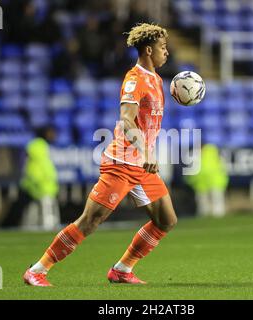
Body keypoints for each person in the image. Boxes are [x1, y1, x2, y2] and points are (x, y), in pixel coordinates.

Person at [23, 23, 175, 286]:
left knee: (166, 220)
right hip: (122, 162)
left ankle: (122, 269)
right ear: (148, 50)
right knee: (90, 221)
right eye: (163, 47)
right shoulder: (134, 79)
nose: (167, 52)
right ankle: (37, 269)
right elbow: (127, 121)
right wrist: (146, 150)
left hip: (141, 166)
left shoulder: (157, 80)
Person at [0, 125, 59, 229]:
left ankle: (27, 226)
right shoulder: (39, 146)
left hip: (36, 184)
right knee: (44, 208)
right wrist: (45, 178)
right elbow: (42, 166)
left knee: (31, 209)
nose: (53, 135)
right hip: (40, 184)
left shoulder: (38, 146)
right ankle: (45, 226)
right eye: (51, 132)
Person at [185, 144, 229, 217]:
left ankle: (218, 218)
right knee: (203, 203)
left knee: (216, 201)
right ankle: (206, 218)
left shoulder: (212, 150)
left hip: (214, 181)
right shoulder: (194, 154)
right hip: (202, 183)